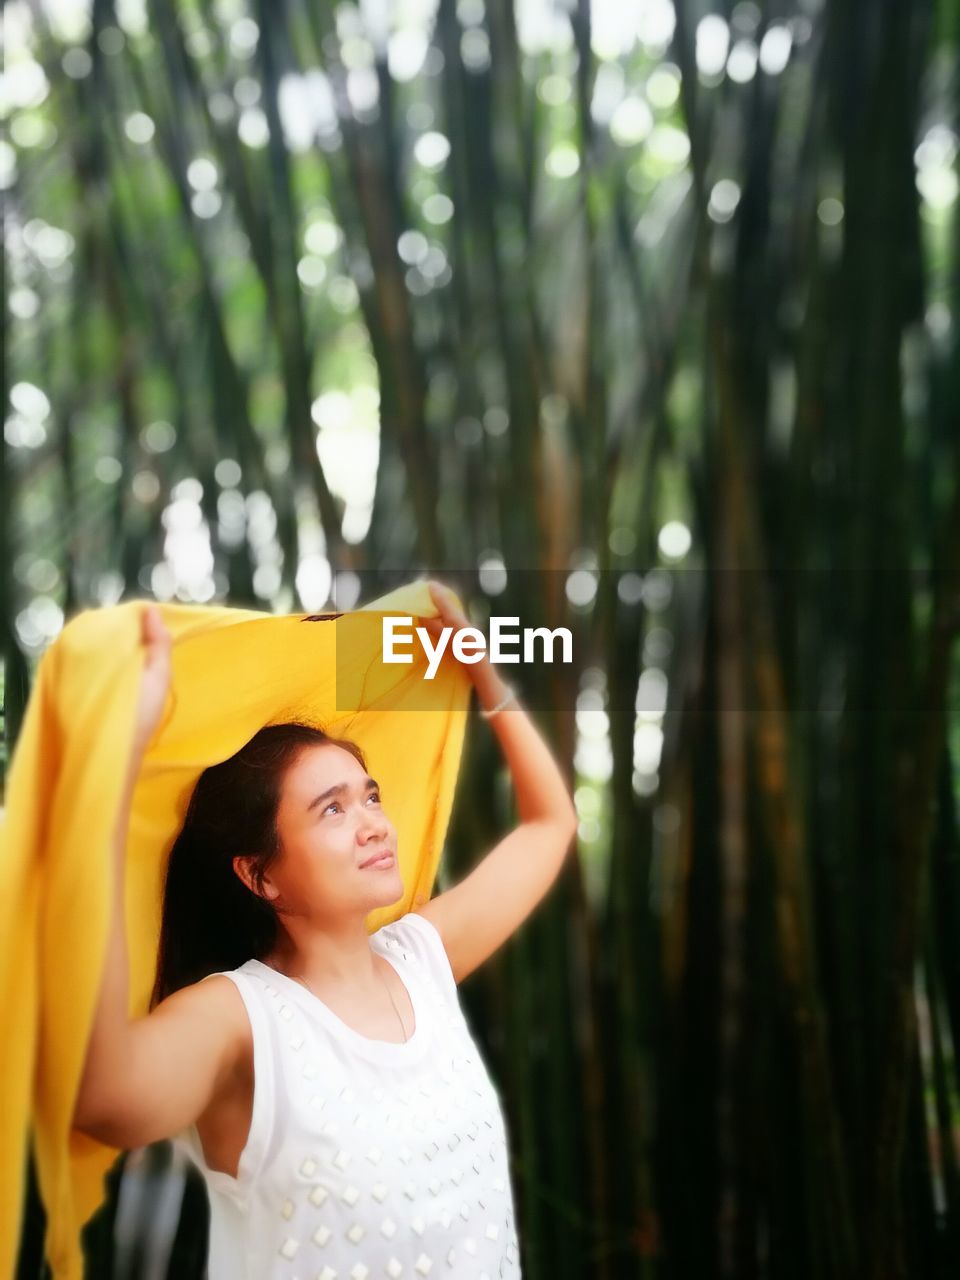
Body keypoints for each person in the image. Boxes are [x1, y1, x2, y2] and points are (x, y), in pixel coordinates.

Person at [72, 581, 578, 1279]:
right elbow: (106, 1101)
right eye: (331, 810)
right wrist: (113, 771)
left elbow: (551, 825)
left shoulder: (419, 960)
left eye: (369, 795)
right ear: (260, 877)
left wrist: (481, 671)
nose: (373, 821)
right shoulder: (239, 1018)